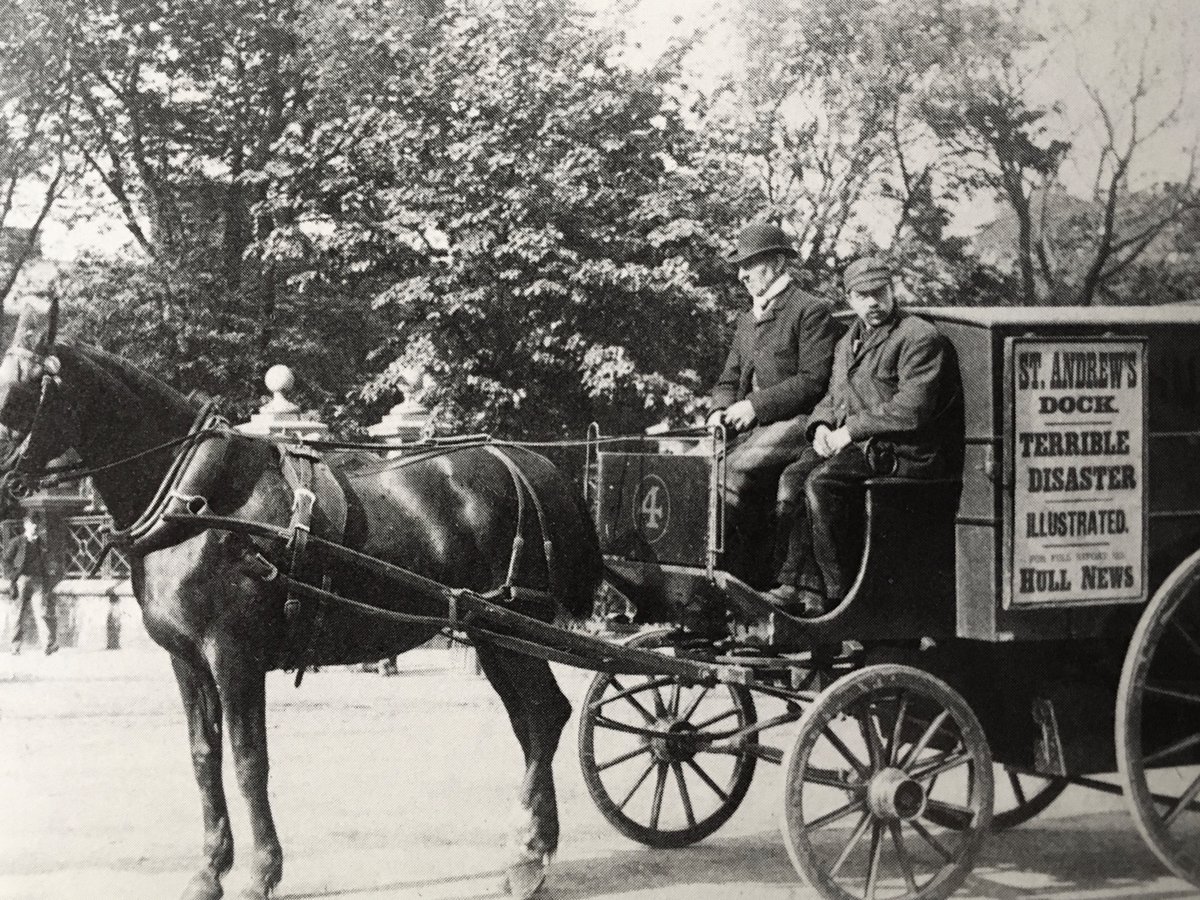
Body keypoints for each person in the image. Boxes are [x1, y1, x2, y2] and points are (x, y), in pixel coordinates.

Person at [771, 256, 956, 614]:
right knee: (792, 478)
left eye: (879, 292)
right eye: (862, 295)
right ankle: (799, 586)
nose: (873, 302)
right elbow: (833, 397)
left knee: (822, 483)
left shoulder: (918, 336)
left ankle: (840, 599)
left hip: (902, 451)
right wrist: (821, 426)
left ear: (892, 290)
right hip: (857, 446)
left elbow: (912, 409)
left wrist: (849, 431)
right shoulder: (847, 342)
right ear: (849, 298)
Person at [708, 221, 838, 587]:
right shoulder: (747, 319)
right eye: (740, 267)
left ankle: (736, 581)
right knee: (701, 469)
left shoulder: (810, 310)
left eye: (750, 264)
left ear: (779, 263)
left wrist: (754, 406)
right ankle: (717, 577)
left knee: (732, 471)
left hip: (798, 425)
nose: (742, 275)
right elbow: (728, 379)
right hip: (753, 430)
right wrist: (718, 411)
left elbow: (813, 381)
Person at [4, 513, 58, 655]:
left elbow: (47, 560)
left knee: (41, 612)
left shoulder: (41, 542)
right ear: (25, 525)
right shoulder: (17, 542)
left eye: (36, 523)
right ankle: (15, 647)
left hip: (38, 581)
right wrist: (13, 576)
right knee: (17, 614)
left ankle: (47, 645)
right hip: (21, 580)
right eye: (31, 523)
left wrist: (48, 574)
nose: (34, 526)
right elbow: (6, 560)